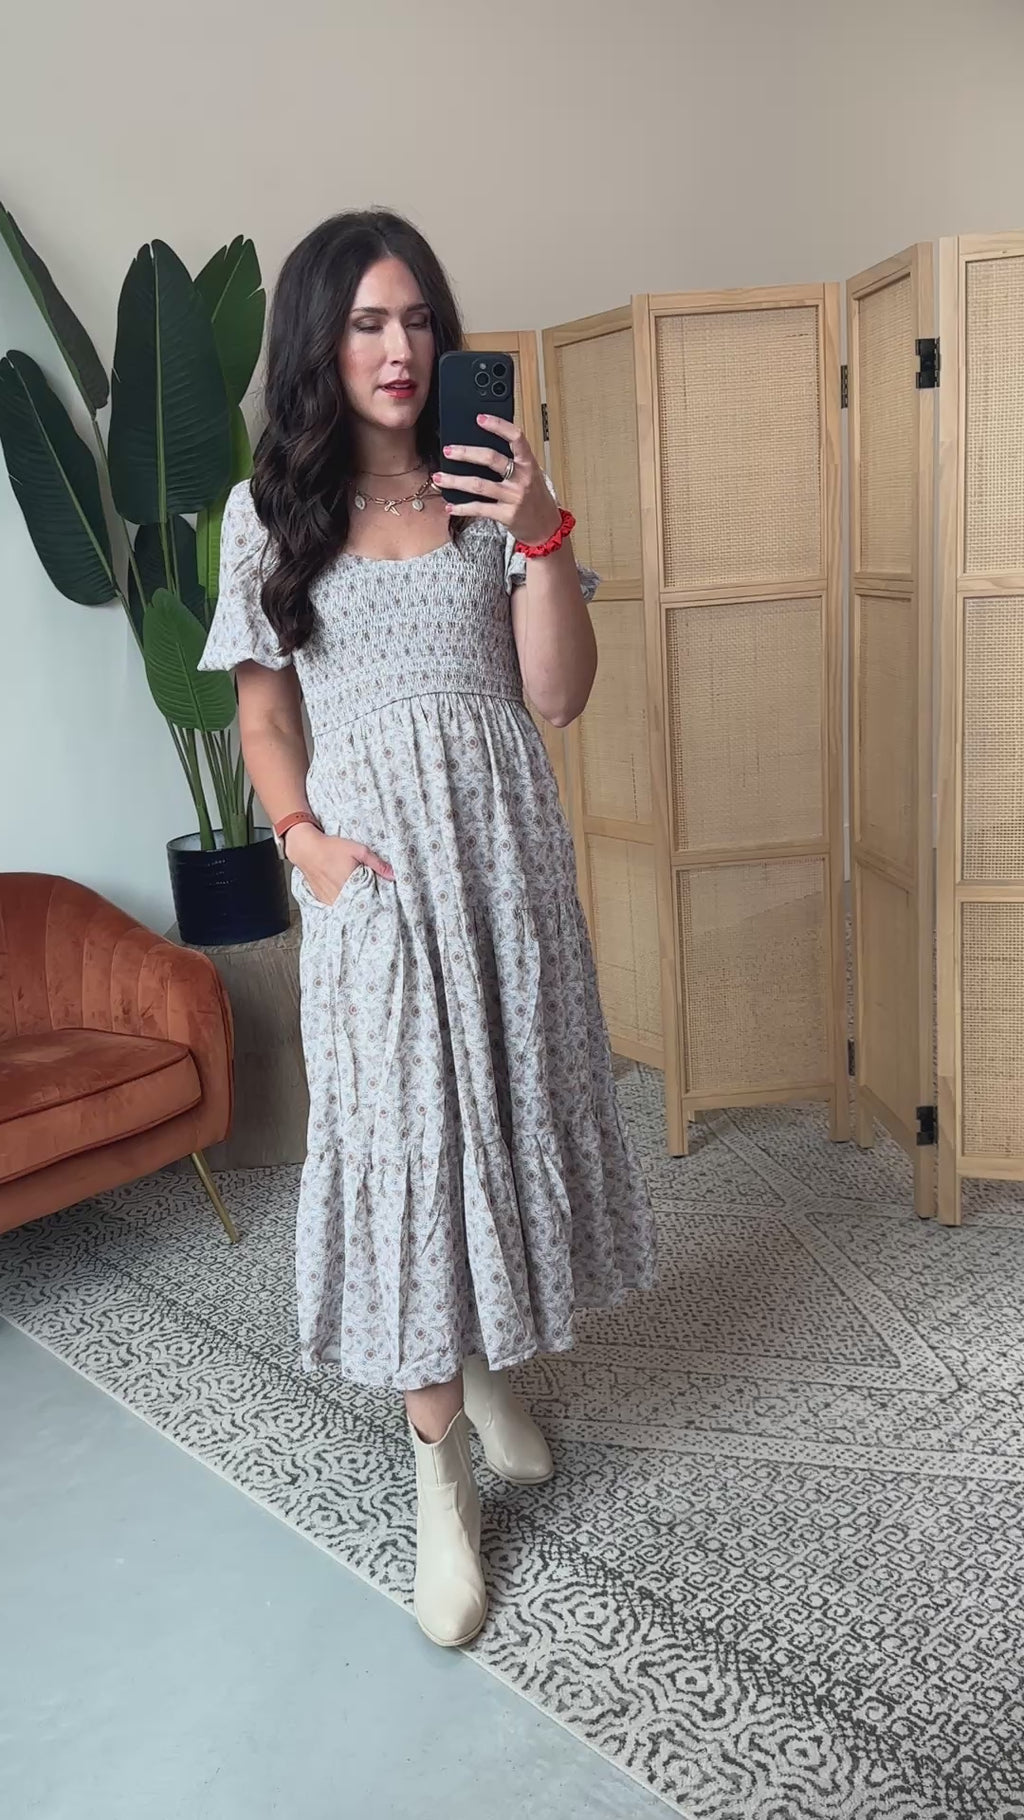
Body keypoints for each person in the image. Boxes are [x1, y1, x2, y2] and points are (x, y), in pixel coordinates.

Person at [198, 209, 656, 1649]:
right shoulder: (269, 515)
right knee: (407, 1150)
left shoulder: (490, 488)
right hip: (376, 887)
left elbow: (558, 695)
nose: (399, 349)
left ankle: (490, 1365)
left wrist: (543, 531)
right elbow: (264, 715)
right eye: (367, 324)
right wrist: (307, 848)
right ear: (319, 344)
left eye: (417, 320)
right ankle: (439, 1483)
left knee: (498, 1128)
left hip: (505, 870)